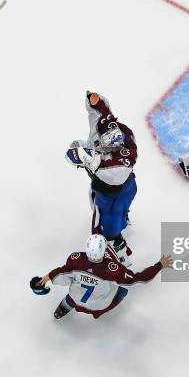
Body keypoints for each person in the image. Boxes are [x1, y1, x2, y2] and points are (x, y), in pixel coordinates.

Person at [66, 92, 137, 266]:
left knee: (108, 230)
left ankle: (122, 260)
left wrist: (89, 158)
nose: (104, 145)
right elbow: (101, 111)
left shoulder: (124, 160)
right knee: (94, 201)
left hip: (116, 194)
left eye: (110, 145)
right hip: (107, 189)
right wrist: (94, 100)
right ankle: (123, 219)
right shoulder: (107, 128)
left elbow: (113, 175)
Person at [38, 234, 173, 319]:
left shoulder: (76, 259)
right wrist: (159, 265)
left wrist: (49, 276)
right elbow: (137, 280)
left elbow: (62, 275)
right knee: (124, 290)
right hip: (99, 304)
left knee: (73, 297)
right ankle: (97, 314)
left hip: (75, 296)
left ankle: (62, 309)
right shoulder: (112, 270)